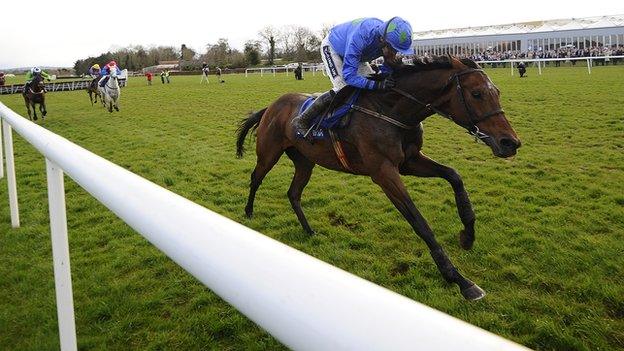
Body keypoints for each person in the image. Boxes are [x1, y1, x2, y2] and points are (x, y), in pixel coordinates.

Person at [291, 17, 413, 138]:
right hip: (333, 48)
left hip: (357, 55)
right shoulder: (361, 36)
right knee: (343, 88)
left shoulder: (387, 39)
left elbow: (386, 71)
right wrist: (376, 84)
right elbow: (349, 76)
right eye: (393, 49)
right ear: (383, 39)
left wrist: (384, 76)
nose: (394, 52)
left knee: (371, 85)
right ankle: (302, 120)